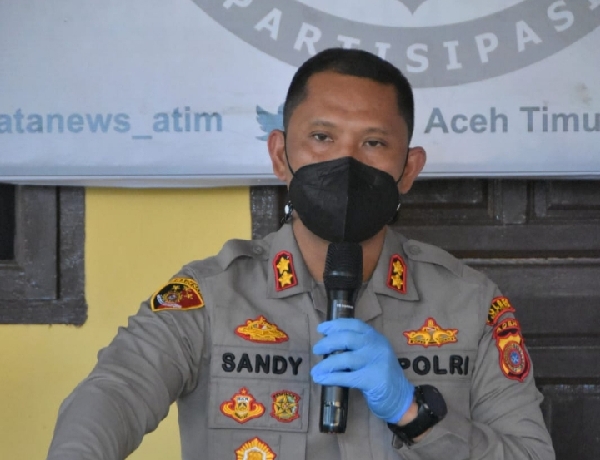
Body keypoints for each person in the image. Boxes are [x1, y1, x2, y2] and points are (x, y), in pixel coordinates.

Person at [47, 48, 555, 460]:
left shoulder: (469, 304)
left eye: (374, 143)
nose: (346, 162)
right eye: (321, 137)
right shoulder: (210, 297)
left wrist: (413, 415)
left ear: (408, 169)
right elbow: (115, 391)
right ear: (279, 155)